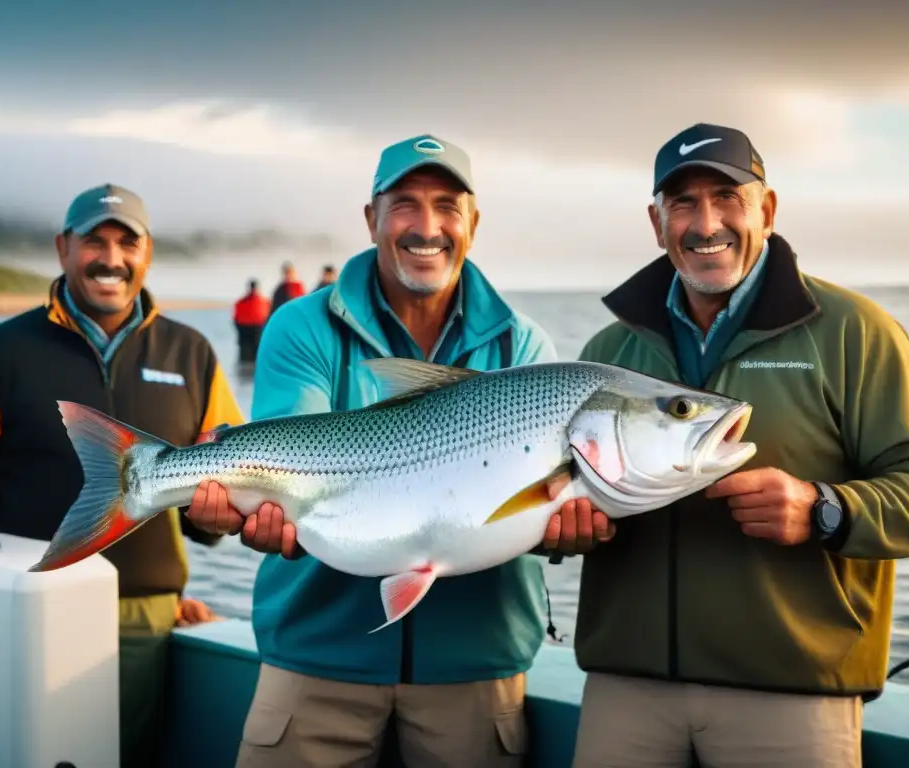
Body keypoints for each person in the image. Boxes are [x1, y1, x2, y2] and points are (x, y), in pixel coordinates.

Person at [185, 134, 615, 768]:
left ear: (472, 222)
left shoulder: (523, 348)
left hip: (475, 668)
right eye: (405, 204)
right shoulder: (303, 326)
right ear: (372, 219)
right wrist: (238, 504)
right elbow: (288, 464)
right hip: (316, 657)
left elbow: (535, 508)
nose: (427, 226)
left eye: (447, 204)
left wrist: (563, 531)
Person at [569, 123, 909, 767]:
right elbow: (572, 501)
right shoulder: (610, 353)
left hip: (792, 696)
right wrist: (568, 532)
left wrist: (823, 508)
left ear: (767, 209)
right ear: (655, 221)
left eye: (727, 197)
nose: (705, 223)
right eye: (683, 203)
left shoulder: (854, 332)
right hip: (625, 690)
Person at [0, 182, 246, 768]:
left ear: (147, 253)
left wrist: (173, 591)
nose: (111, 258)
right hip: (21, 605)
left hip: (143, 618)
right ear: (62, 249)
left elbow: (217, 508)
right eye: (93, 242)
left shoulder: (192, 353)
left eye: (126, 243)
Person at [233, 278, 271, 364]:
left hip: (247, 331)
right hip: (255, 330)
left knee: (246, 356)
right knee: (256, 357)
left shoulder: (241, 302)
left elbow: (236, 319)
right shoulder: (264, 302)